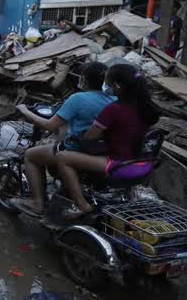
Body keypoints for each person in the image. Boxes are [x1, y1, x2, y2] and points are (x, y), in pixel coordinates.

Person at [56, 64, 160, 216]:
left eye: (107, 82)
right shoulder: (146, 108)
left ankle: (81, 204)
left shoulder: (114, 109)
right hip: (144, 165)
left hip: (119, 164)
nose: (106, 86)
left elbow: (90, 137)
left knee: (62, 157)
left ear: (117, 86)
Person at [10, 62, 112, 215]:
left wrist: (25, 111)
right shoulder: (113, 99)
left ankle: (37, 203)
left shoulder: (77, 99)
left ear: (84, 79)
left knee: (31, 155)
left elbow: (50, 126)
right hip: (100, 151)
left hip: (78, 150)